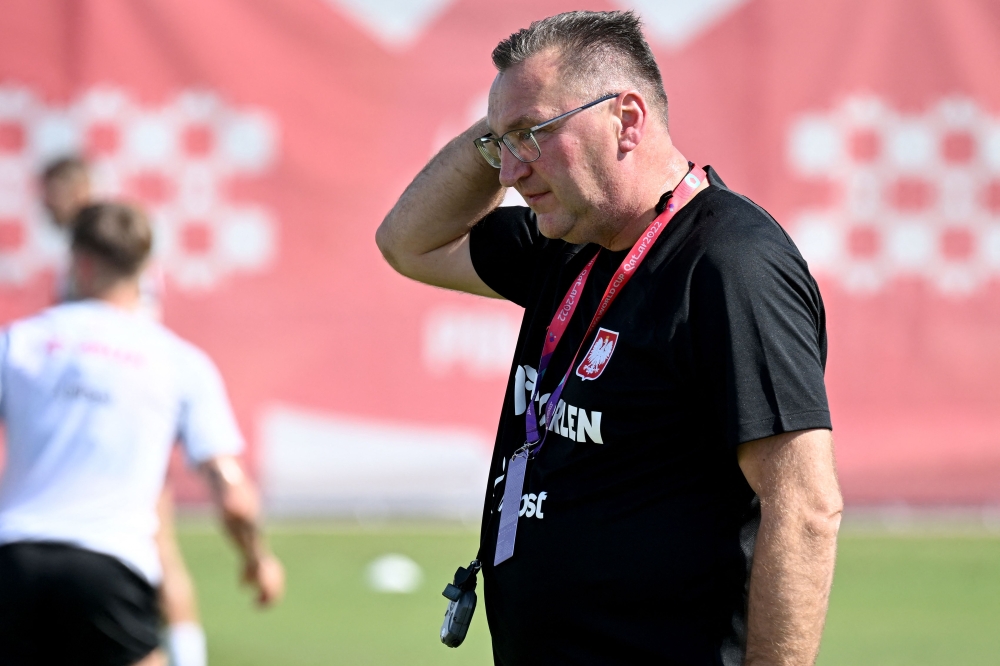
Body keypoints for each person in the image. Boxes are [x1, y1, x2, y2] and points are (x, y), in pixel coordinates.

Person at [377, 10, 842, 665]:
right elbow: (407, 242)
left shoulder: (729, 264)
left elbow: (804, 507)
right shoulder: (565, 244)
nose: (508, 172)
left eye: (532, 136)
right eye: (499, 146)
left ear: (627, 119)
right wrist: (511, 118)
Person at [0, 203, 284, 665]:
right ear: (147, 269)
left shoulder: (19, 342)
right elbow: (233, 493)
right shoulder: (177, 361)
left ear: (80, 263)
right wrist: (258, 557)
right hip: (109, 566)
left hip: (12, 560)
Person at [39, 157, 202, 665]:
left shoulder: (106, 252)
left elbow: (129, 338)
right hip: (108, 426)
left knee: (158, 545)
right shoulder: (107, 248)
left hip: (114, 428)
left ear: (74, 191)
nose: (44, 205)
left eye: (51, 193)